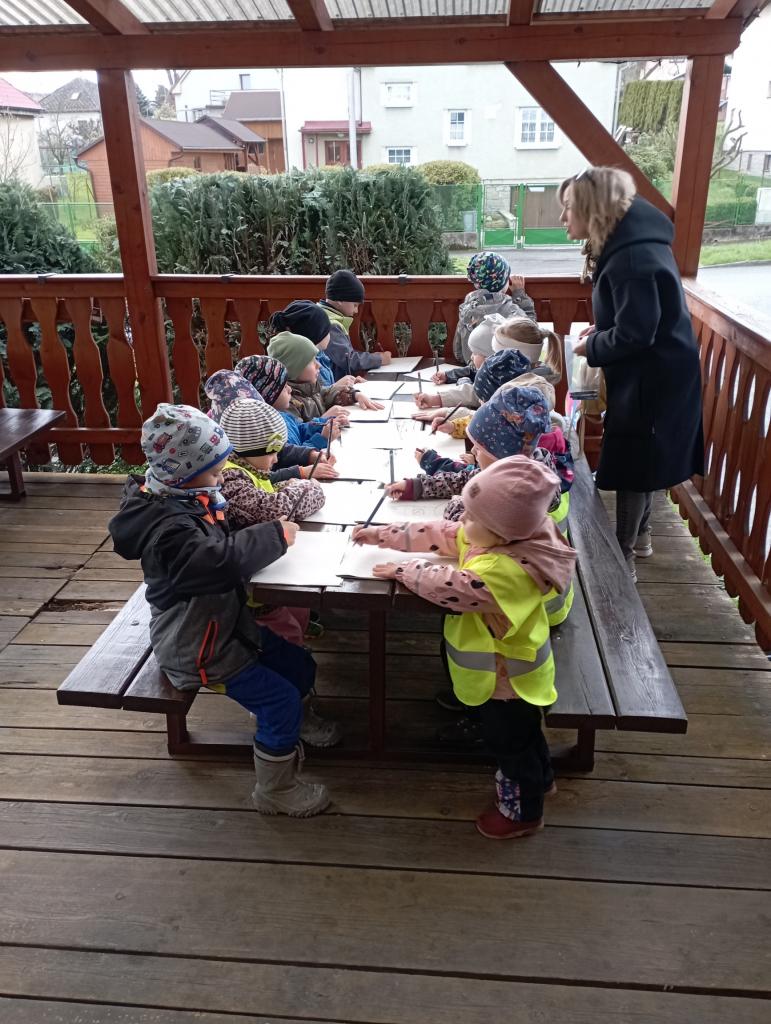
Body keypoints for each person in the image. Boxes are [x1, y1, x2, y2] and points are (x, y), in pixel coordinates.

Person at [108, 403, 331, 817]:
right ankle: (276, 790)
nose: (222, 478)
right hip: (197, 647)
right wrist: (273, 536)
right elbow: (211, 563)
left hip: (224, 625)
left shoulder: (187, 498)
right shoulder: (169, 527)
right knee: (279, 700)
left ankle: (298, 724)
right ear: (183, 473)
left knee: (298, 664)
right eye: (214, 472)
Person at [353, 456, 576, 838]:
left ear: (502, 532)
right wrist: (382, 535)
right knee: (525, 735)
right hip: (513, 675)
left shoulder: (508, 570)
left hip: (506, 679)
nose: (463, 522)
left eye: (472, 518)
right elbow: (442, 533)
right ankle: (541, 780)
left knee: (509, 745)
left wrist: (404, 570)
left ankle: (522, 813)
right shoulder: (506, 539)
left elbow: (452, 587)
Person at [558, 166, 704, 580]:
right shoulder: (631, 242)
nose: (563, 217)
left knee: (636, 465)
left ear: (593, 210)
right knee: (646, 459)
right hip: (657, 372)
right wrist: (603, 329)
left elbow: (638, 332)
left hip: (654, 379)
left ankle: (622, 565)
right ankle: (641, 537)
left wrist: (592, 347)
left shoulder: (631, 258)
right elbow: (636, 315)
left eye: (568, 208)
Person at [205, 368, 338, 482]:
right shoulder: (233, 474)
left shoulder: (251, 450)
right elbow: (264, 479)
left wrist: (310, 455)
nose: (275, 459)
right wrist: (301, 473)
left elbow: (280, 451)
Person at [236, 354, 343, 464]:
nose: (290, 389)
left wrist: (324, 423)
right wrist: (322, 438)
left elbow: (300, 430)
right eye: (284, 387)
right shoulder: (271, 428)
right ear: (268, 395)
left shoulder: (282, 415)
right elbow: (293, 459)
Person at [453, 251, 536, 363]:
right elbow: (532, 334)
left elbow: (458, 352)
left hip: (475, 369)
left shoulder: (467, 310)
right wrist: (519, 295)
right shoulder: (511, 310)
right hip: (507, 370)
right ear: (504, 282)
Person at [319, 269, 392, 379]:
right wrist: (380, 359)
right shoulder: (330, 325)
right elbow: (349, 359)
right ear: (340, 300)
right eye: (355, 305)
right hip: (333, 382)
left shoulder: (325, 316)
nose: (356, 311)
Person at [270, 299, 356, 389]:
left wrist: (351, 383)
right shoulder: (304, 366)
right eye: (327, 331)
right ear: (315, 335)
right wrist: (335, 387)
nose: (330, 335)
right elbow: (312, 394)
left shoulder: (321, 356)